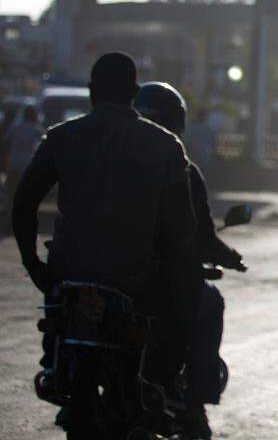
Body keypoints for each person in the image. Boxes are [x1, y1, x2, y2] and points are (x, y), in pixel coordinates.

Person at [11, 53, 199, 393]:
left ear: (90, 91)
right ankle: (168, 383)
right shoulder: (166, 146)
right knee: (181, 310)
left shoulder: (61, 137)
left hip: (68, 274)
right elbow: (182, 229)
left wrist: (32, 263)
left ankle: (54, 364)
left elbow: (24, 204)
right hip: (134, 279)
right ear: (134, 92)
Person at [134, 81, 246, 438]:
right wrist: (229, 257)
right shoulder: (182, 168)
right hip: (161, 281)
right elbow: (201, 237)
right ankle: (195, 398)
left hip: (112, 275)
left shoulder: (112, 159)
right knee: (210, 303)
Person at [3, 105, 43, 211]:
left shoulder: (15, 127)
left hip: (14, 160)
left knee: (11, 187)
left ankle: (9, 208)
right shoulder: (36, 128)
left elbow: (7, 143)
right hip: (28, 162)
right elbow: (43, 144)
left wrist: (6, 158)